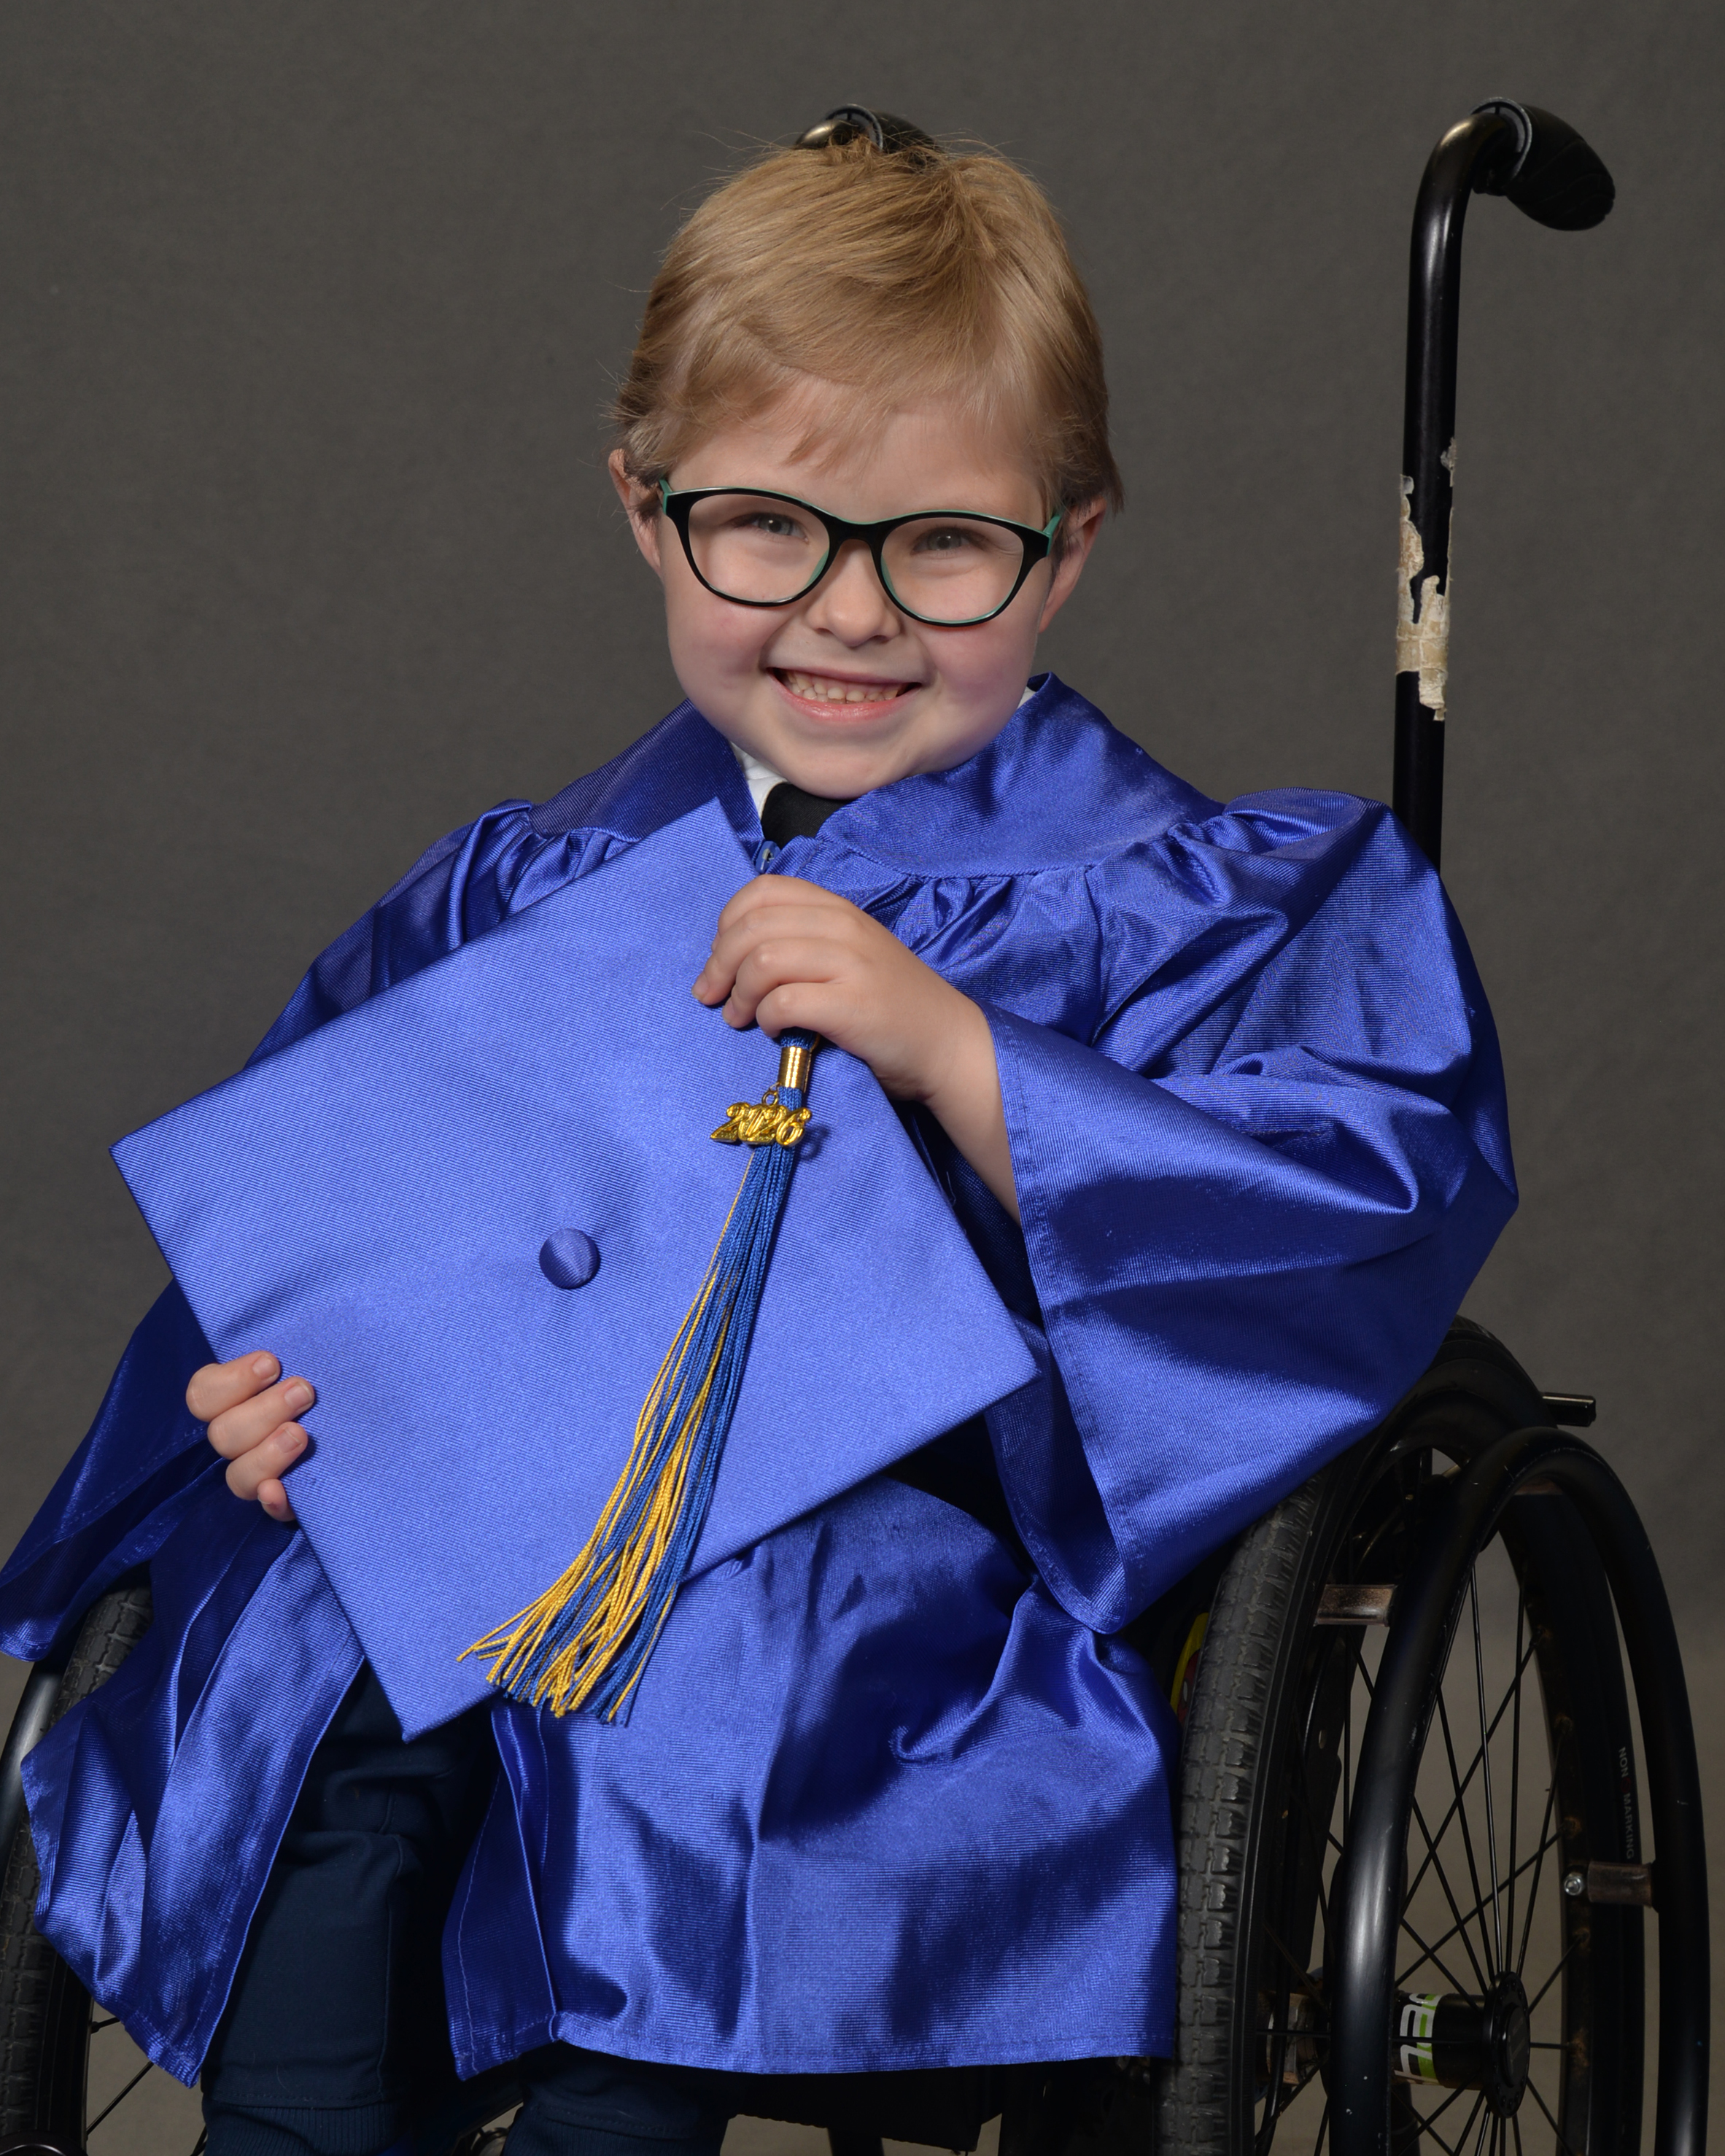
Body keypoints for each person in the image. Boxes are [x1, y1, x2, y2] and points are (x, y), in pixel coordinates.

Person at [0, 113, 1517, 2156]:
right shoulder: (524, 892)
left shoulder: (1193, 898)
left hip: (920, 1577)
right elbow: (322, 1227)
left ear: (1069, 542)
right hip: (506, 1515)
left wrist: (960, 1052)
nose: (851, 612)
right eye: (768, 528)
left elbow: (1355, 1198)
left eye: (945, 543)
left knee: (705, 1681)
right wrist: (262, 1396)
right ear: (647, 508)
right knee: (301, 1631)